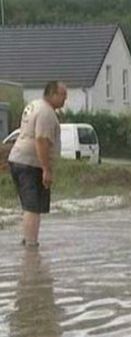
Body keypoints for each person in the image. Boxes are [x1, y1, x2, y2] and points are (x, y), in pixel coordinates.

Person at [8, 81, 67, 247]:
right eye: (63, 95)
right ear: (53, 94)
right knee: (32, 207)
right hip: (30, 164)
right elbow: (41, 141)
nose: (65, 100)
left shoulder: (34, 105)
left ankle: (27, 239)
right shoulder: (46, 113)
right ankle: (31, 246)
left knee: (29, 206)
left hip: (18, 159)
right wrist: (46, 169)